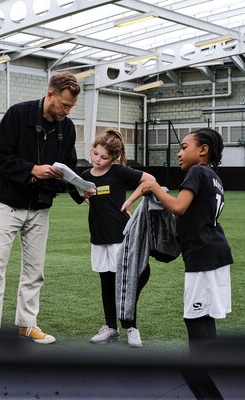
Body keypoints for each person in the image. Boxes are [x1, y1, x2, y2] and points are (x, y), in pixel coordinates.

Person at [0, 71, 95, 344]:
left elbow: (68, 168)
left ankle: (27, 324)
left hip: (40, 207)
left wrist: (81, 191)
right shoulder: (17, 114)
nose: (67, 111)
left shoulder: (67, 127)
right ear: (50, 94)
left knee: (35, 271)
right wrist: (32, 170)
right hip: (6, 204)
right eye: (64, 105)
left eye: (72, 107)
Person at [138, 128, 233, 352]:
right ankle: (207, 366)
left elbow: (179, 207)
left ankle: (200, 368)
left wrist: (154, 188)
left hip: (204, 255)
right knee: (204, 316)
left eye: (184, 147)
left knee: (195, 318)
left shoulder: (197, 172)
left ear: (203, 150)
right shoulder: (215, 177)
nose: (179, 154)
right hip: (215, 252)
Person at [79, 128, 155, 347]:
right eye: (95, 154)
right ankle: (111, 328)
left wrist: (130, 201)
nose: (98, 159)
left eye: (104, 157)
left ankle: (131, 327)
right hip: (98, 236)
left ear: (113, 157)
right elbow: (81, 195)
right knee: (106, 283)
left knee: (126, 283)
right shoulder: (85, 176)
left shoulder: (119, 171)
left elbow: (150, 180)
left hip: (119, 236)